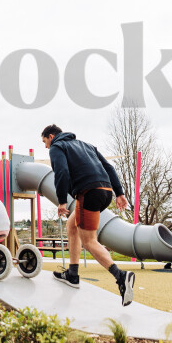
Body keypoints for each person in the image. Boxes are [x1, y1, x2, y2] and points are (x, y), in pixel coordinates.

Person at [42, 124, 135, 306]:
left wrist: (61, 200)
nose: (45, 147)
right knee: (72, 225)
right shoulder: (87, 145)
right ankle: (73, 274)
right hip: (105, 191)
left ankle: (121, 277)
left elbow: (61, 172)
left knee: (89, 241)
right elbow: (109, 167)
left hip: (89, 192)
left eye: (45, 142)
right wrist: (119, 193)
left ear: (51, 136)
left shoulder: (57, 147)